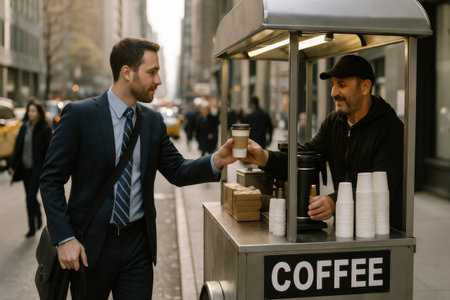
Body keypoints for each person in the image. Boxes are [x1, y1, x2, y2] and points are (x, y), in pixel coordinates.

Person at [39, 37, 237, 299]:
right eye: (152, 72)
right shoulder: (80, 115)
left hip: (138, 249)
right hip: (89, 247)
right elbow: (51, 180)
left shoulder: (153, 122)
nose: (158, 80)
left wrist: (217, 160)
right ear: (127, 72)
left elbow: (177, 170)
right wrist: (64, 238)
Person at [242, 55, 404, 230]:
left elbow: (380, 187)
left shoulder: (391, 129)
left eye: (341, 85)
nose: (333, 93)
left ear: (365, 87)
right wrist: (264, 157)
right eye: (332, 85)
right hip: (345, 228)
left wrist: (334, 201)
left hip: (383, 233)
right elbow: (304, 156)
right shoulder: (334, 123)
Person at [9, 99, 52, 237]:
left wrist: (48, 168)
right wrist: (12, 165)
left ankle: (38, 215)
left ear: (39, 113)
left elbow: (50, 151)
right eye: (29, 110)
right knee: (29, 197)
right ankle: (32, 227)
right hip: (25, 169)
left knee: (30, 197)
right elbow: (17, 148)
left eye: (34, 111)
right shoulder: (24, 127)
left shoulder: (45, 129)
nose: (31, 113)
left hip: (37, 170)